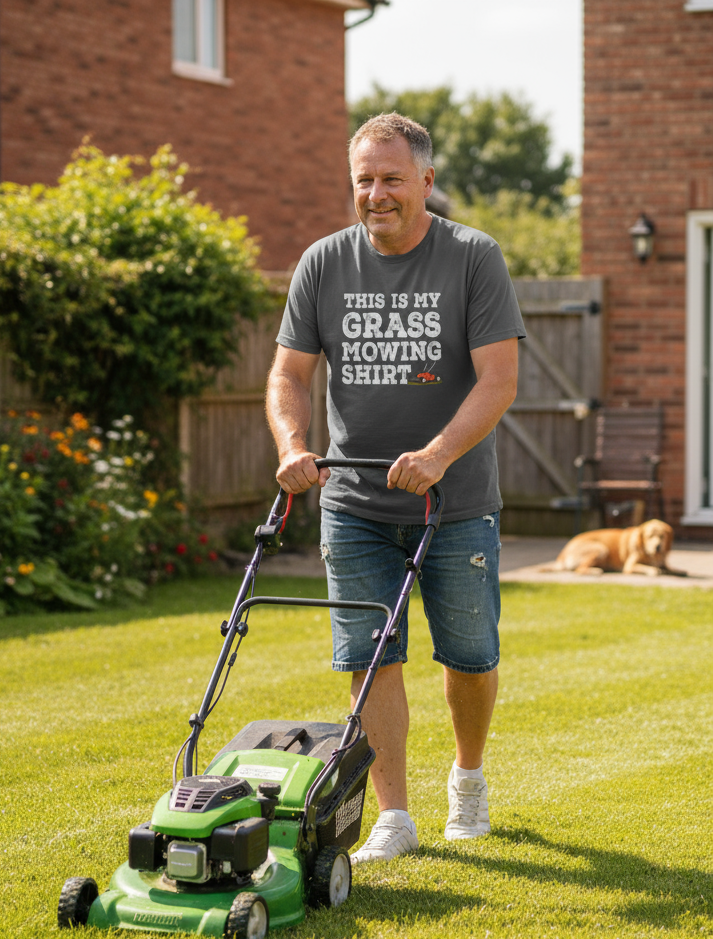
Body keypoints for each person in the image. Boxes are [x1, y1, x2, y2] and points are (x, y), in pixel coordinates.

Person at [265, 112, 525, 863]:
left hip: (455, 501)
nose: (376, 194)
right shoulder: (323, 264)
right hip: (355, 505)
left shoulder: (474, 257)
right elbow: (289, 373)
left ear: (426, 183)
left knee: (470, 655)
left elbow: (499, 378)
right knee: (369, 652)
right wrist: (292, 445)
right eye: (364, 180)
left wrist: (439, 453)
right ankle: (394, 815)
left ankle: (467, 777)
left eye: (391, 179)